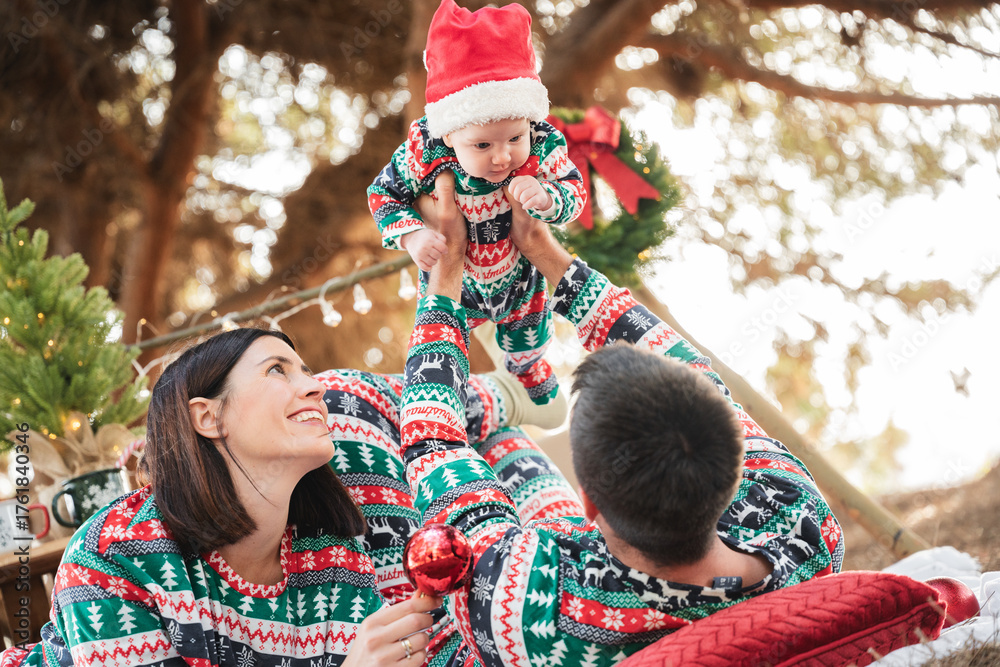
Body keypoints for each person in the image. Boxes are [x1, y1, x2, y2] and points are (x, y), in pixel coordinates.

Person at [397, 172, 846, 665]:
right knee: (496, 441)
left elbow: (432, 446)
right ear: (734, 462)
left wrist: (444, 278)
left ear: (587, 501)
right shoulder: (803, 523)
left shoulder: (527, 606)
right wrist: (543, 251)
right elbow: (694, 374)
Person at [0, 328, 442, 667]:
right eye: (276, 369)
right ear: (208, 417)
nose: (316, 387)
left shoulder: (331, 557)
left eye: (305, 371)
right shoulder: (115, 557)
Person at [368, 0, 587, 407]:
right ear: (450, 135)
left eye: (514, 139)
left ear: (529, 123)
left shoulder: (542, 142)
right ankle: (450, 396)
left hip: (518, 275)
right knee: (445, 331)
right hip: (458, 280)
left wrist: (549, 197)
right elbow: (383, 194)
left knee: (529, 330)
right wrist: (413, 235)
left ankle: (529, 366)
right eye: (482, 145)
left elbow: (574, 189)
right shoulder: (425, 151)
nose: (502, 157)